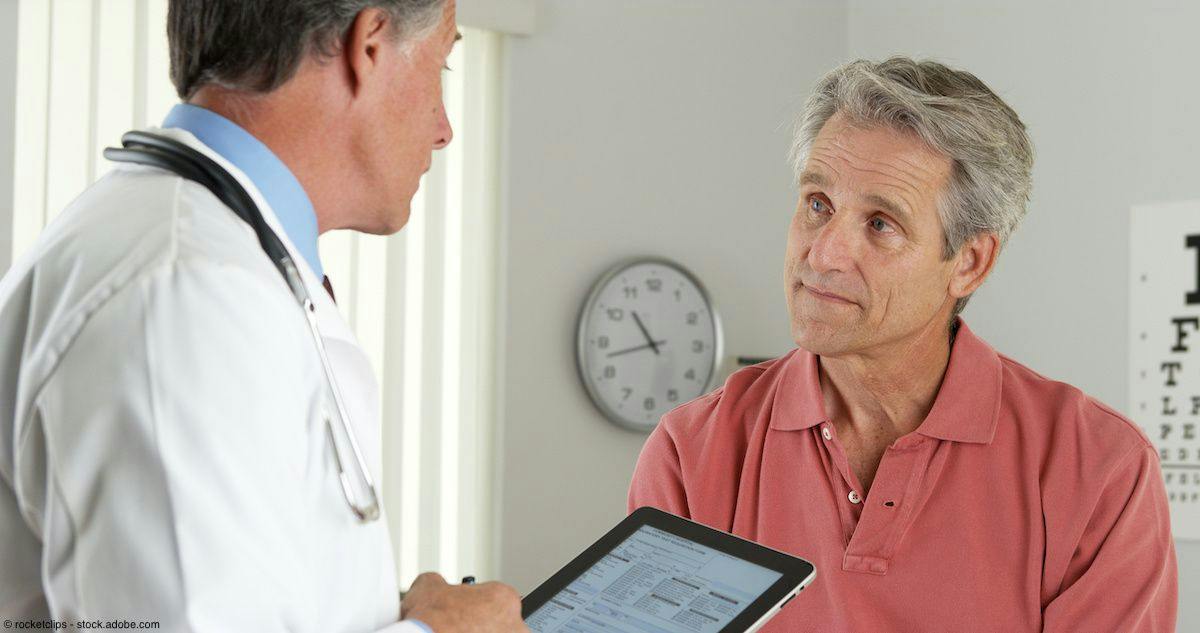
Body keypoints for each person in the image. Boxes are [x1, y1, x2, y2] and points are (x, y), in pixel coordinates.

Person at [0, 1, 525, 631]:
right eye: (441, 65)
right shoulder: (182, 295)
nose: (444, 129)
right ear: (371, 45)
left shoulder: (204, 256)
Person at [628, 57, 1178, 632]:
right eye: (818, 204)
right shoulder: (691, 454)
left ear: (968, 263)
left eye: (881, 224)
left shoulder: (1100, 471)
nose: (823, 254)